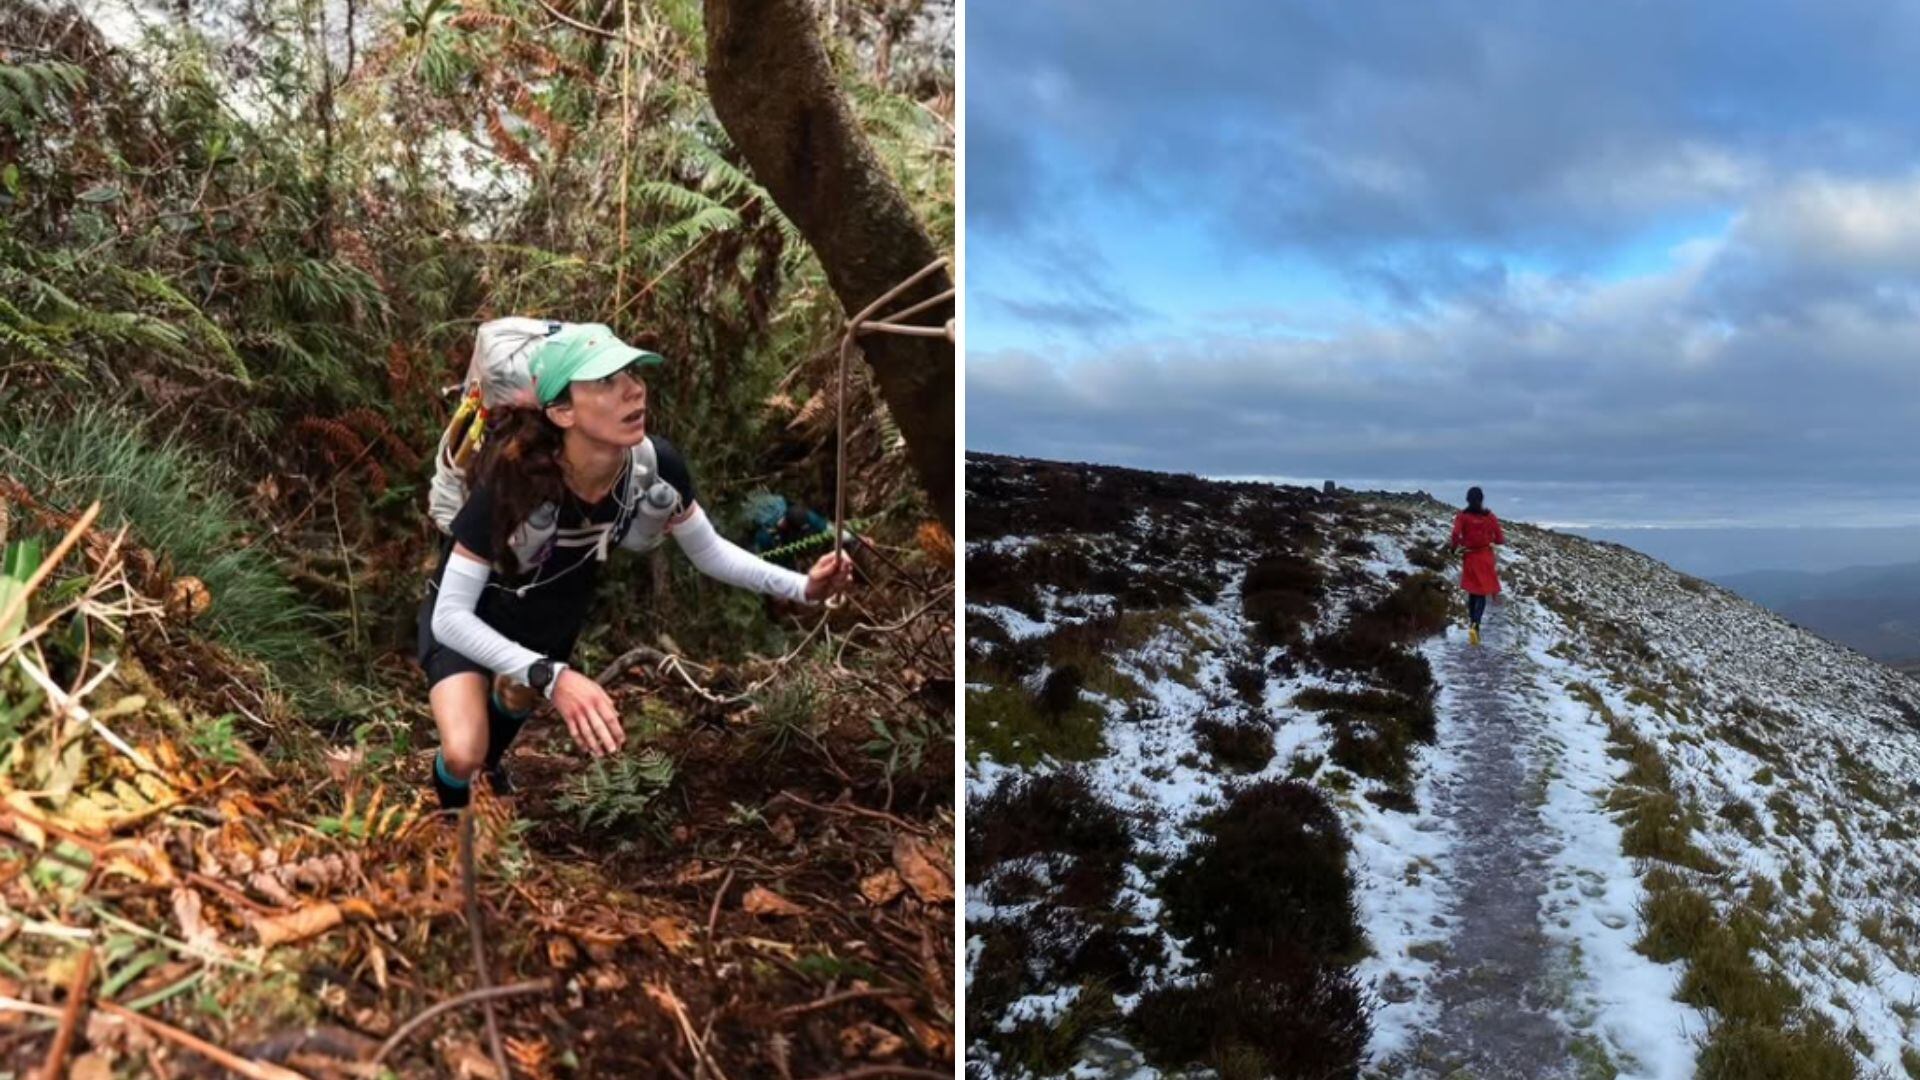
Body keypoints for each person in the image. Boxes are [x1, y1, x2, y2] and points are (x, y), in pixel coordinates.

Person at [415, 324, 855, 810]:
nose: (633, 388)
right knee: (462, 752)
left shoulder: (654, 465)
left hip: (550, 619)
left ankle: (493, 770)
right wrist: (554, 678)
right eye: (604, 381)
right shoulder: (512, 476)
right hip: (473, 612)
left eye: (630, 373)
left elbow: (708, 550)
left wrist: (805, 588)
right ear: (562, 412)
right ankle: (452, 827)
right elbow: (451, 616)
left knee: (511, 706)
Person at [1448, 486, 1504, 646]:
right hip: (1485, 557)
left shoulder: (1462, 516)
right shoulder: (1490, 516)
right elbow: (1500, 539)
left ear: (1467, 499)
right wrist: (1491, 540)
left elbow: (1455, 534)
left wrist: (1454, 548)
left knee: (1473, 591)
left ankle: (1473, 622)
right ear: (1482, 499)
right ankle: (1475, 626)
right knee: (1482, 592)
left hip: (1470, 557)